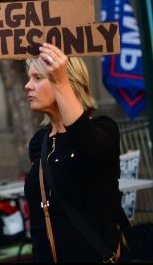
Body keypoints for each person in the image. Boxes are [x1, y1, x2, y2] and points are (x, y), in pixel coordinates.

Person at [24, 43, 121, 262]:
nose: (28, 85)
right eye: (30, 78)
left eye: (38, 78)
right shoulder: (40, 142)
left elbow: (92, 150)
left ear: (68, 82)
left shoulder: (104, 129)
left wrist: (61, 82)